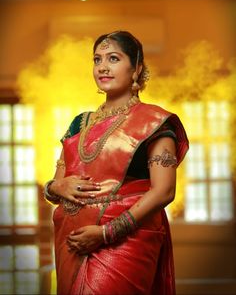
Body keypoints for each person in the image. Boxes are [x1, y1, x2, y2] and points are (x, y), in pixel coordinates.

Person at [44, 30, 189, 295]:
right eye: (97, 60)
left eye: (113, 58)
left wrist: (105, 234)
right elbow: (57, 182)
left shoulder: (154, 123)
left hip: (125, 242)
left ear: (137, 68)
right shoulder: (79, 123)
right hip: (72, 241)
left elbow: (164, 191)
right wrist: (56, 187)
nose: (103, 67)